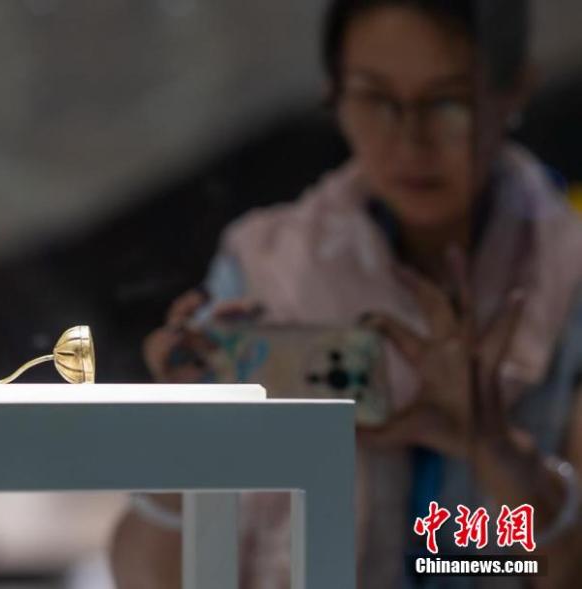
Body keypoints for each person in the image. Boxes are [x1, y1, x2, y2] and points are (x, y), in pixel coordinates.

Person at [110, 1, 582, 587]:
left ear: (514, 91)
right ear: (334, 96)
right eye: (375, 98)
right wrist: (181, 439)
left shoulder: (568, 279)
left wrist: (495, 450)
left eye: (448, 101)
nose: (410, 139)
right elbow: (145, 576)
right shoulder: (266, 267)